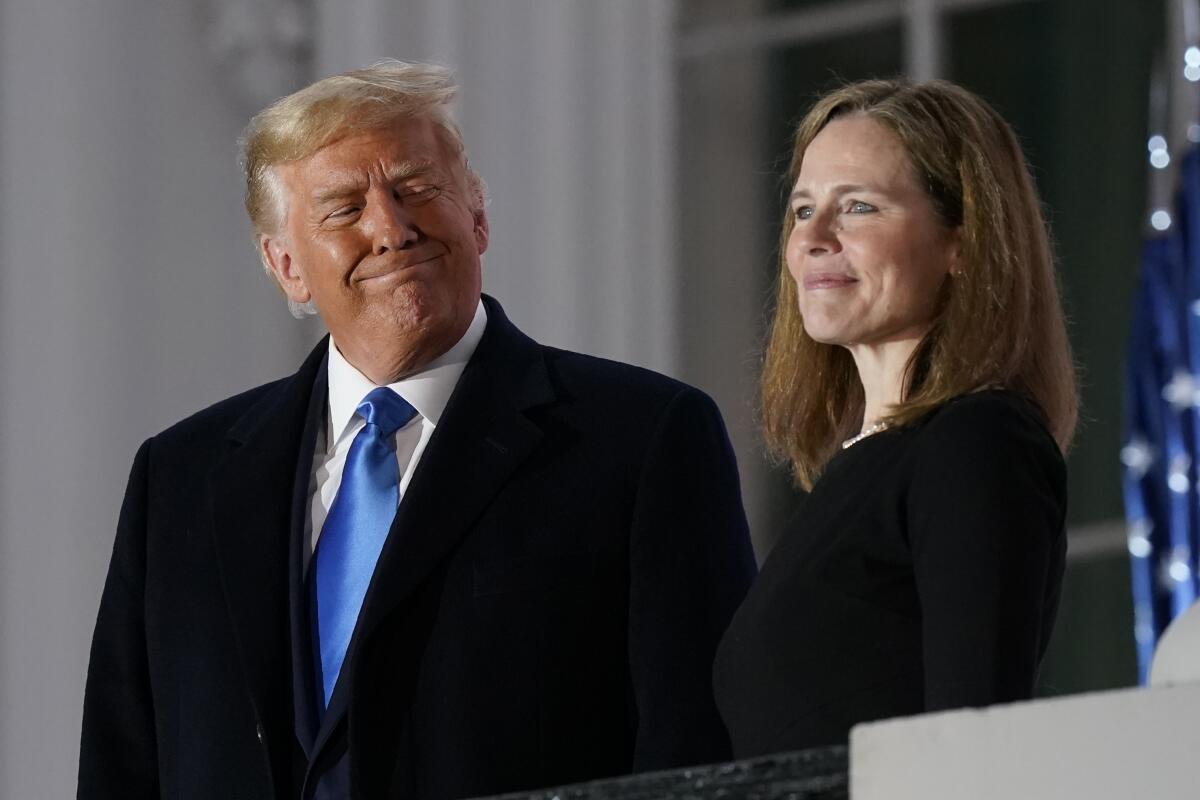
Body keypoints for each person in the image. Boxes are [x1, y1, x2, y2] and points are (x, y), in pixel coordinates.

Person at [79, 60, 756, 800]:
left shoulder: (642, 438)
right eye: (343, 209)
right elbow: (122, 767)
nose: (391, 229)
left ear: (479, 215)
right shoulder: (179, 478)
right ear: (286, 268)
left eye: (417, 190)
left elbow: (696, 757)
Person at [712, 78, 1077, 756]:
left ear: (962, 241)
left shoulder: (977, 444)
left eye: (857, 207)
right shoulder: (859, 469)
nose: (814, 238)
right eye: (801, 210)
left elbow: (974, 747)